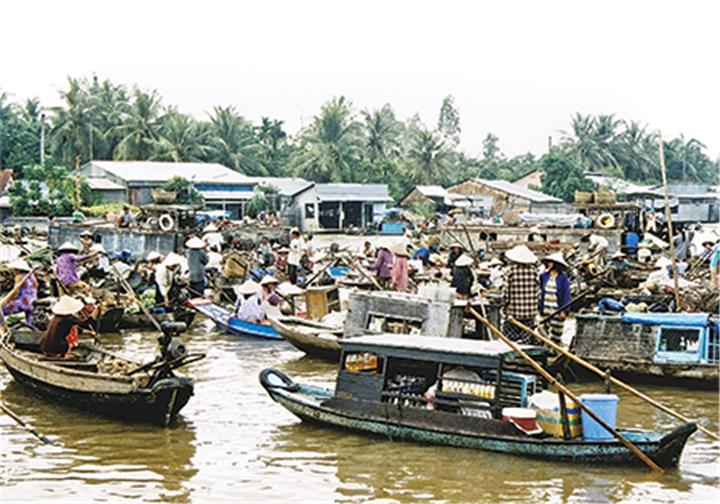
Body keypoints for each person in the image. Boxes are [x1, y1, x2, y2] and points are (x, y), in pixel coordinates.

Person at [501, 245, 539, 344]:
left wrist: (504, 306)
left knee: (509, 337)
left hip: (514, 311)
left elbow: (506, 293)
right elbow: (538, 291)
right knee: (526, 337)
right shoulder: (535, 272)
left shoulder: (509, 271)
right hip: (530, 311)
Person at [539, 252, 572, 345]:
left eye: (551, 262)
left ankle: (554, 350)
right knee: (543, 332)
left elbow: (566, 294)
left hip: (557, 309)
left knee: (556, 334)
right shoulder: (544, 276)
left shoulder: (563, 277)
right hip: (546, 308)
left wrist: (564, 310)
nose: (549, 264)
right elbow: (541, 290)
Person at [1, 259, 37, 326]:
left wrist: (5, 301)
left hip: (23, 302)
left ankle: (3, 328)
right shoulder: (32, 276)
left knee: (2, 309)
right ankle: (29, 325)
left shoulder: (19, 276)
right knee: (29, 318)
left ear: (17, 269)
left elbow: (15, 293)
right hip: (32, 301)